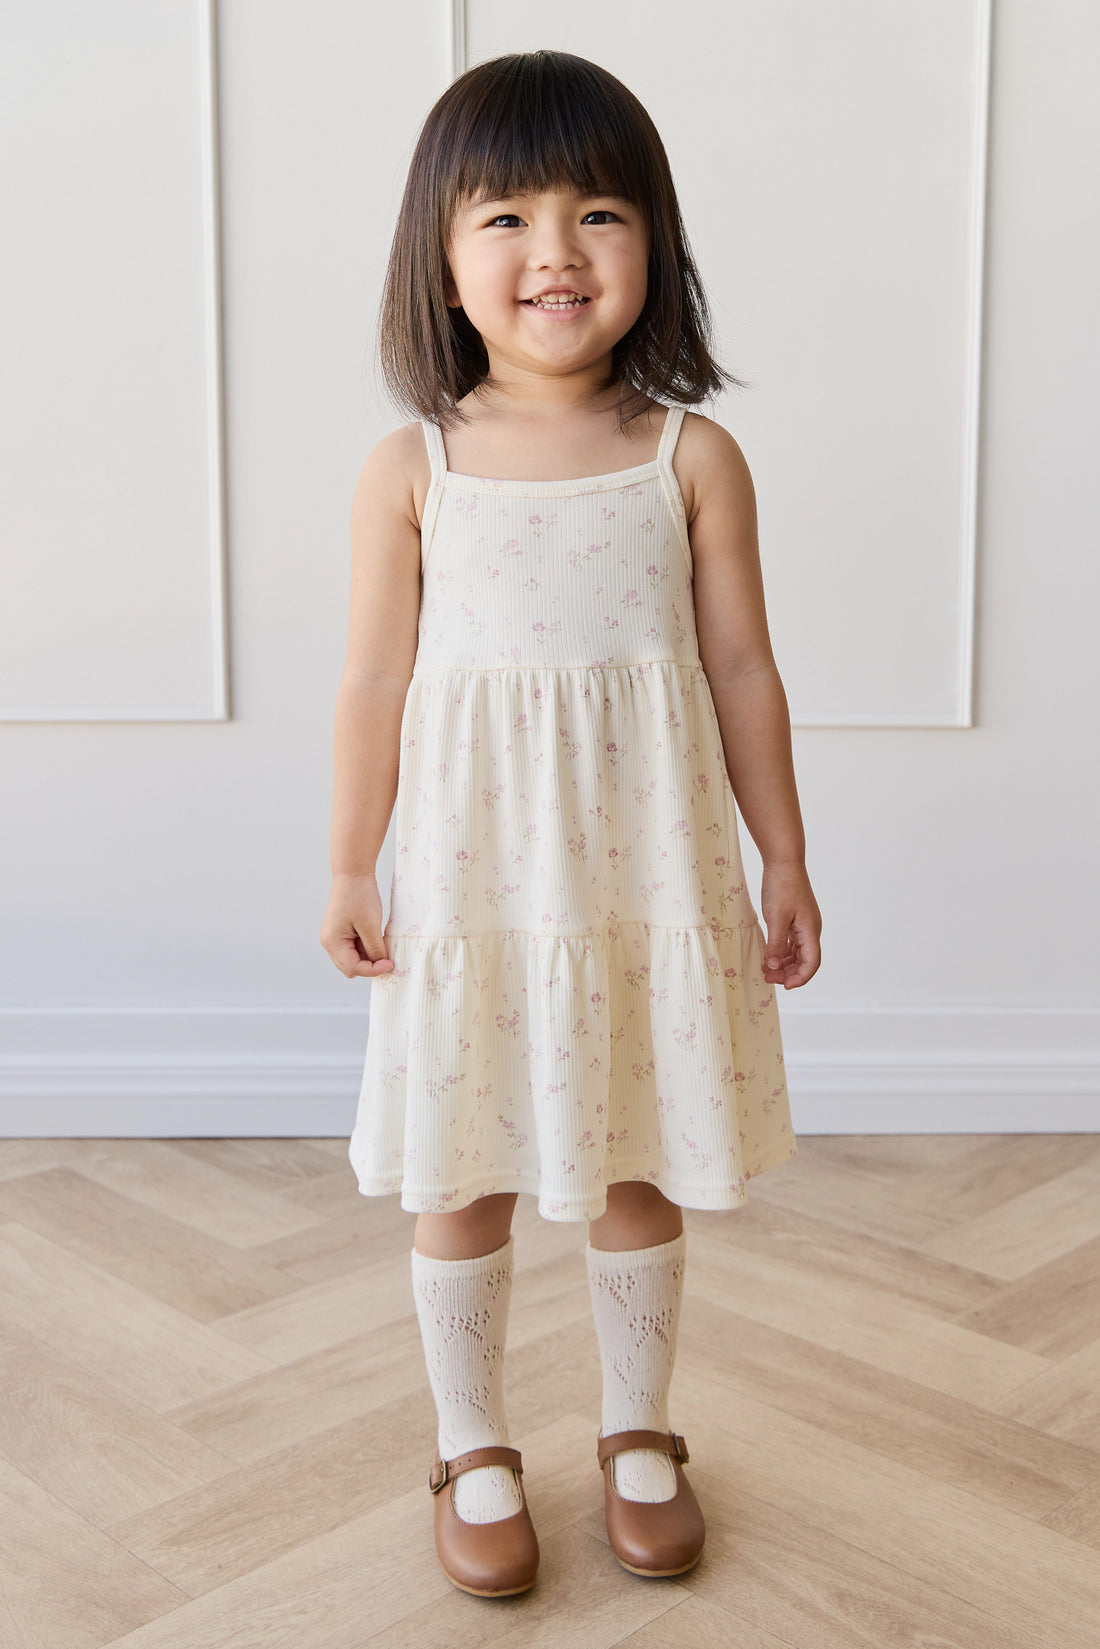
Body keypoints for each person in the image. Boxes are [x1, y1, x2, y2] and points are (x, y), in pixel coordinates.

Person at [321, 48, 822, 1599]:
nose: (556, 251)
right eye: (508, 218)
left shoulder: (689, 457)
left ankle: (636, 1422)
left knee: (637, 1151)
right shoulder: (415, 471)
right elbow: (373, 678)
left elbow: (742, 667)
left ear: (654, 242)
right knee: (459, 1166)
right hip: (475, 894)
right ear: (441, 259)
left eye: (599, 213)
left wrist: (785, 855)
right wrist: (347, 860)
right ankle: (470, 1438)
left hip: (642, 879)